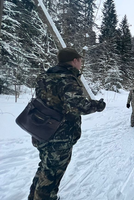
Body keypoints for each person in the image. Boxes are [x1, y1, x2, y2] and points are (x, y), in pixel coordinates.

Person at [28, 48, 106, 200]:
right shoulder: (67, 78)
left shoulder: (45, 76)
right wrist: (97, 106)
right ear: (74, 60)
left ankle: (34, 196)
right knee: (53, 172)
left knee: (45, 167)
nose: (81, 63)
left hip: (40, 130)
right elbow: (77, 105)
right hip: (59, 134)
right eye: (80, 60)